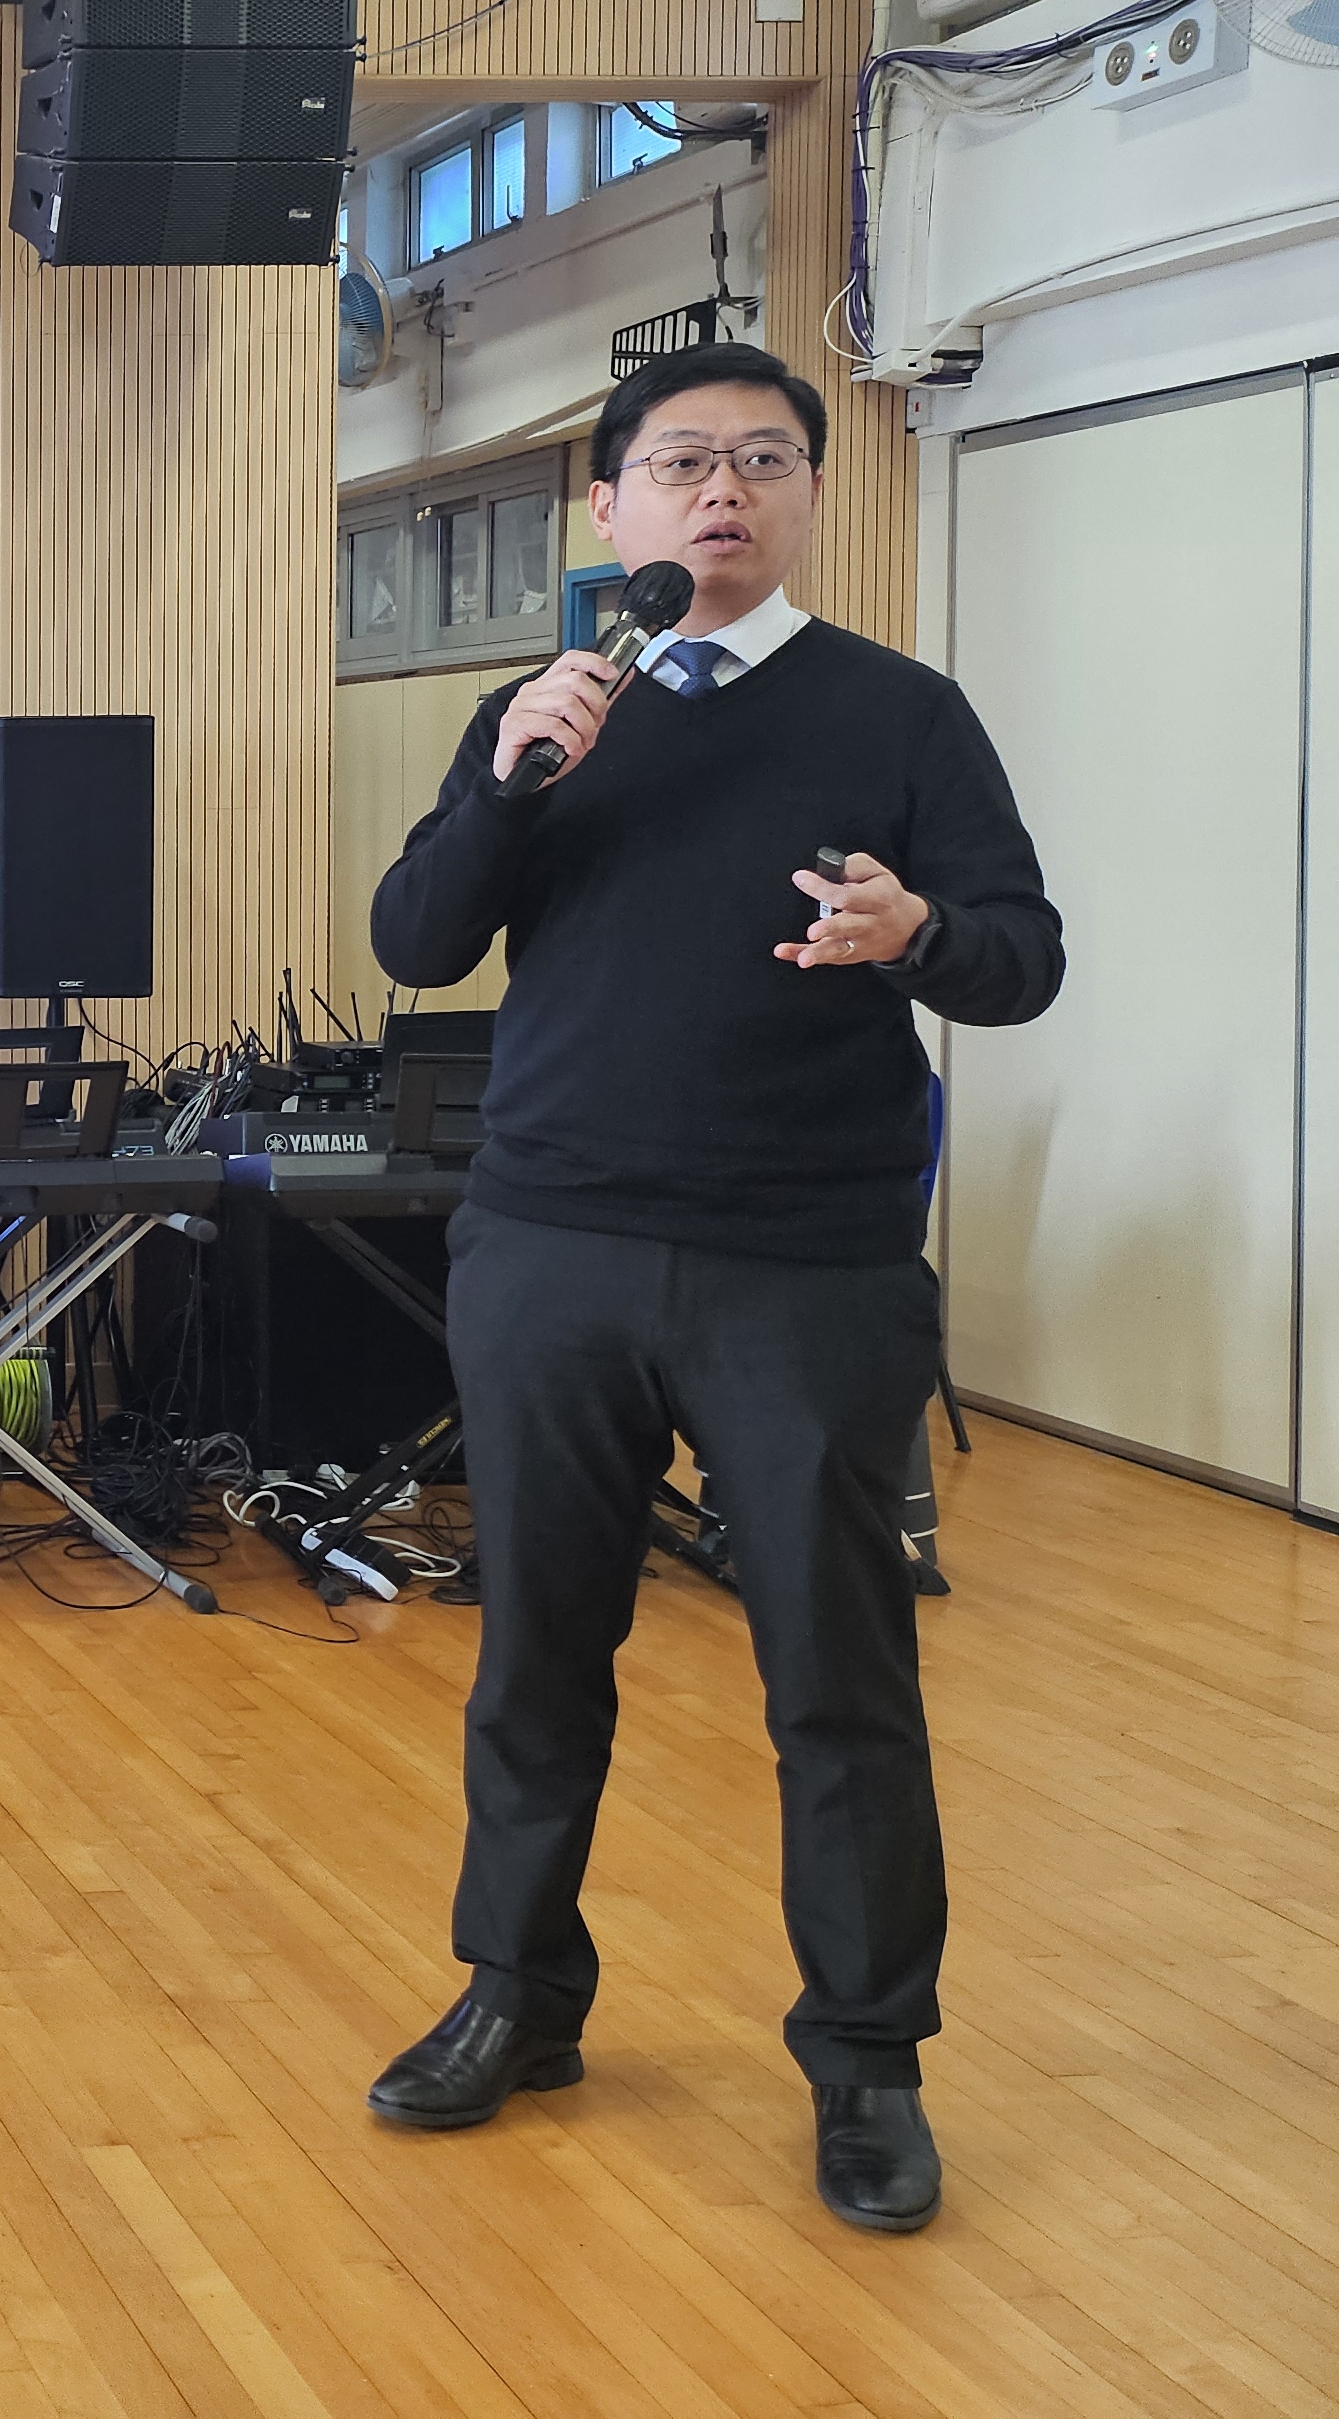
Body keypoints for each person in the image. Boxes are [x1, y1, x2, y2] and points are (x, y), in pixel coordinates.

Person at [363, 340, 1062, 2234]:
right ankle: (517, 1993)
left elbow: (1022, 958)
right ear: (609, 507)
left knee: (840, 1676)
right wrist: (510, 785)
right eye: (682, 462)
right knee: (536, 1656)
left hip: (805, 1265)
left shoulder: (902, 715)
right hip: (554, 1247)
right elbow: (416, 941)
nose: (722, 491)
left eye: (763, 459)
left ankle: (867, 2060)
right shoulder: (545, 711)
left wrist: (919, 933)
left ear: (812, 494)